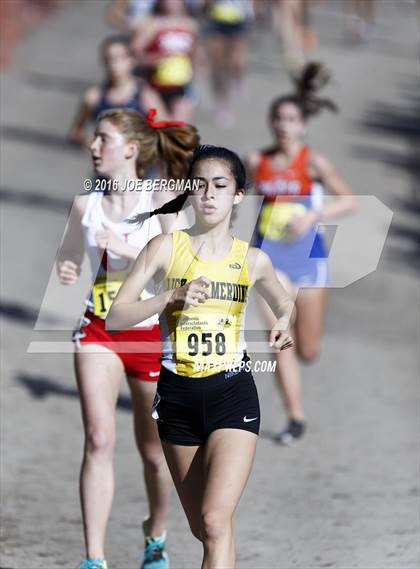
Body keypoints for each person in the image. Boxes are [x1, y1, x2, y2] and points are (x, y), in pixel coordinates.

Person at [107, 145, 295, 568]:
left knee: (214, 521)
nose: (209, 194)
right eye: (200, 184)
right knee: (205, 528)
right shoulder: (164, 248)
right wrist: (168, 297)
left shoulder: (252, 260)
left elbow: (285, 304)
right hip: (177, 398)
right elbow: (117, 316)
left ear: (238, 195)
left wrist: (283, 320)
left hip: (233, 395)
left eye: (220, 185)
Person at [57, 108, 199, 569]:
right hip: (99, 329)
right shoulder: (86, 204)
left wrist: (128, 250)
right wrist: (69, 265)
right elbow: (71, 253)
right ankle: (93, 558)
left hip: (149, 334)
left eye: (103, 139)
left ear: (131, 150)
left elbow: (180, 267)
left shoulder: (161, 200)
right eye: (94, 138)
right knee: (98, 438)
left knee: (155, 452)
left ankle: (155, 536)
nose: (93, 146)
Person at [246, 62, 357, 445]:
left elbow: (349, 201)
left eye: (291, 119)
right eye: (278, 118)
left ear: (303, 124)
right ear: (270, 122)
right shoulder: (255, 162)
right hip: (270, 260)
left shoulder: (313, 162)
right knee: (280, 338)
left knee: (307, 349)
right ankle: (295, 416)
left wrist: (314, 213)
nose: (283, 125)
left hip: (308, 260)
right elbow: (235, 198)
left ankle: (303, 374)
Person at [69, 35, 165, 149]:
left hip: (141, 164)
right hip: (108, 164)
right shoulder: (94, 96)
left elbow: (167, 129)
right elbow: (75, 132)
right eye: (109, 59)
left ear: (132, 60)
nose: (114, 64)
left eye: (120, 58)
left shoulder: (145, 95)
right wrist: (90, 142)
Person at [131, 0, 199, 122]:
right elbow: (134, 55)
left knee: (178, 130)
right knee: (160, 125)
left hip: (181, 85)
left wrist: (195, 67)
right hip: (153, 85)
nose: (171, 3)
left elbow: (195, 53)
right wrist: (156, 59)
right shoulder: (152, 24)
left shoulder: (190, 25)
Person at [204, 0, 253, 126]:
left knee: (235, 62)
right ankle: (222, 103)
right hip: (217, 18)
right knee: (218, 65)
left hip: (238, 18)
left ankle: (238, 80)